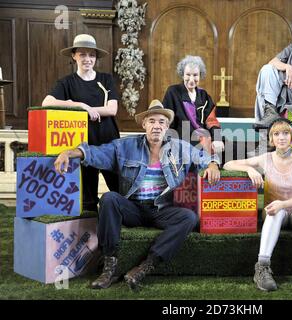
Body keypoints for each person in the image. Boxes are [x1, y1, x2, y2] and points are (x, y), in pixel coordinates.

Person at [53, 100, 221, 291]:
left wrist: (213, 164)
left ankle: (145, 266)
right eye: (151, 121)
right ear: (144, 125)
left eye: (161, 122)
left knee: (189, 218)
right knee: (109, 199)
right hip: (132, 208)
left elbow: (204, 158)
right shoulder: (126, 146)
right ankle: (109, 266)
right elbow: (95, 153)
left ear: (167, 126)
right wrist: (70, 152)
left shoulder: (180, 148)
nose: (156, 126)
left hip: (161, 210)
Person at [223, 118, 292, 292]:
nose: (281, 137)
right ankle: (262, 267)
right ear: (271, 139)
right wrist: (249, 169)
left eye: (285, 133)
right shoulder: (265, 158)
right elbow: (228, 164)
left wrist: (284, 204)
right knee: (276, 210)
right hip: (275, 213)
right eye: (276, 134)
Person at [42, 34, 120, 212]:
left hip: (109, 143)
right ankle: (90, 235)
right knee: (88, 199)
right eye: (83, 54)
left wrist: (92, 110)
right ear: (74, 56)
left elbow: (112, 109)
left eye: (91, 55)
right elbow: (46, 102)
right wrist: (80, 106)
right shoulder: (66, 82)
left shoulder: (106, 79)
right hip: (82, 146)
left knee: (119, 190)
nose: (87, 59)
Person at [162, 55, 224, 154]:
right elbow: (167, 120)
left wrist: (217, 139)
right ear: (182, 75)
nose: (191, 79)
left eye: (195, 75)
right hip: (183, 139)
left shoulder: (204, 95)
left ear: (200, 75)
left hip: (204, 137)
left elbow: (212, 121)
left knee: (230, 146)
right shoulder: (173, 92)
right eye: (188, 75)